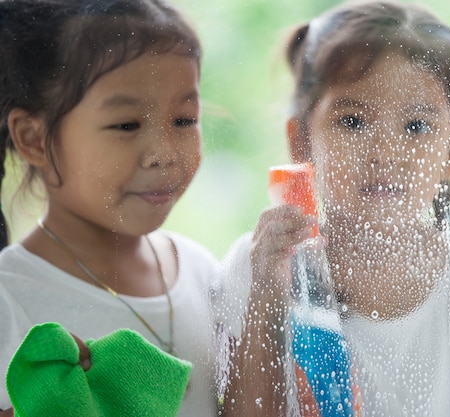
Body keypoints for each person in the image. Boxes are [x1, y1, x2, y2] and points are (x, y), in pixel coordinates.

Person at [223, 1, 450, 416]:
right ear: (302, 140)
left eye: (416, 126)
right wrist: (268, 294)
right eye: (353, 122)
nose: (385, 152)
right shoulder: (257, 269)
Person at [0, 1, 314, 416]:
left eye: (184, 120)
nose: (164, 154)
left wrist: (265, 294)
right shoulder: (11, 298)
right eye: (127, 125)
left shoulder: (200, 270)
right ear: (34, 138)